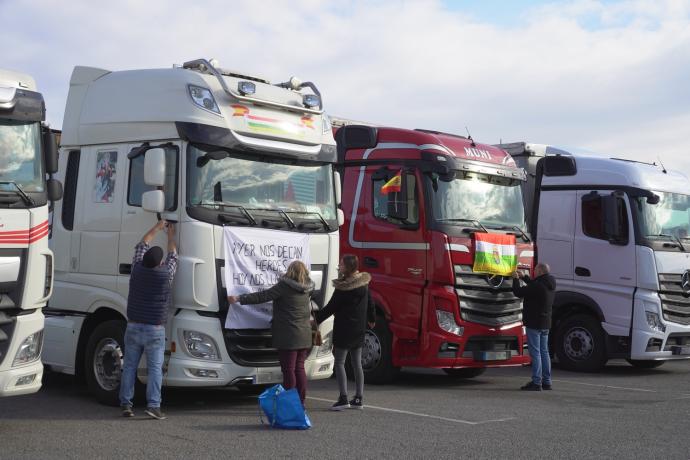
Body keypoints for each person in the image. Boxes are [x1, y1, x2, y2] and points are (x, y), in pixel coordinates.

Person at [227, 261, 314, 405]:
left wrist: (239, 298)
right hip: (304, 334)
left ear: (290, 271)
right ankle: (301, 401)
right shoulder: (307, 289)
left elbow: (264, 296)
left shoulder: (284, 286)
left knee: (288, 370)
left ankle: (289, 403)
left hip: (289, 336)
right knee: (299, 368)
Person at [119, 220, 178, 419]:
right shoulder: (165, 275)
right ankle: (153, 406)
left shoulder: (136, 269)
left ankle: (126, 404)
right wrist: (170, 235)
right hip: (155, 329)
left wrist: (156, 227)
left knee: (129, 366)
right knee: (154, 369)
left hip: (133, 326)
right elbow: (173, 255)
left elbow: (142, 243)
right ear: (160, 263)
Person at [315, 254, 375, 410]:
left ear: (347, 268)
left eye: (341, 264)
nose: (339, 266)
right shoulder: (364, 283)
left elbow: (331, 308)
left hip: (344, 328)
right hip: (359, 328)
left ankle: (343, 398)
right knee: (357, 363)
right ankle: (359, 398)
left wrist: (316, 319)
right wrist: (372, 318)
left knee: (340, 362)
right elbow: (370, 302)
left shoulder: (343, 288)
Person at [512, 263, 556, 391]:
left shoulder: (538, 285)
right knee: (544, 352)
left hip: (534, 323)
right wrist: (524, 277)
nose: (534, 271)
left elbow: (518, 292)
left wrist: (515, 279)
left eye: (536, 269)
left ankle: (537, 382)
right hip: (545, 323)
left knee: (535, 353)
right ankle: (547, 382)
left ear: (541, 271)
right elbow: (534, 285)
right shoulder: (549, 283)